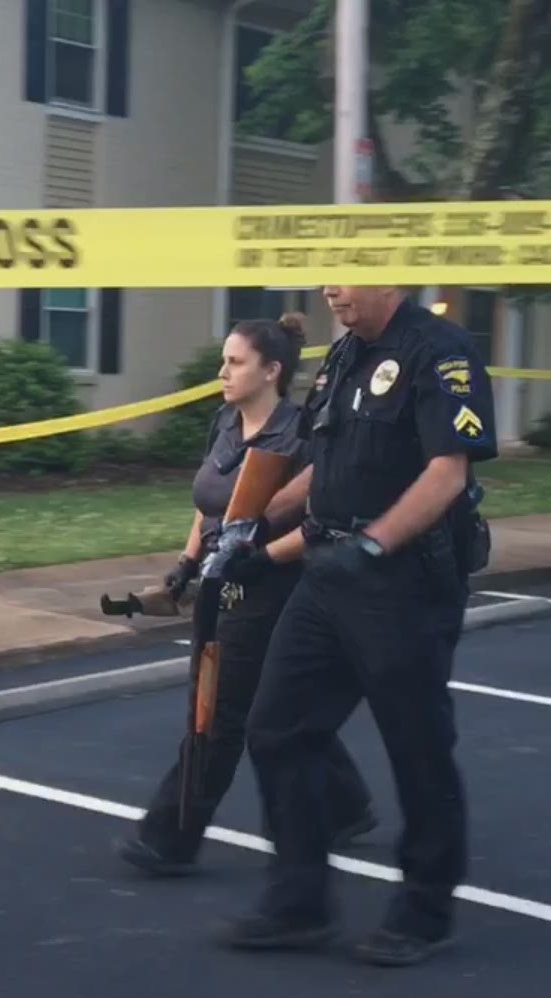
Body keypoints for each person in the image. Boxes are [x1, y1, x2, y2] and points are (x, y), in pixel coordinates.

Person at [217, 285, 495, 967]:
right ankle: (299, 903)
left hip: (402, 580)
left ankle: (424, 912)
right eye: (326, 274)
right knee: (277, 729)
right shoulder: (344, 354)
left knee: (417, 746)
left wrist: (373, 545)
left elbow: (447, 473)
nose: (330, 289)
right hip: (328, 571)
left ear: (388, 273)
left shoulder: (441, 352)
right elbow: (325, 465)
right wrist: (254, 529)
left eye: (345, 272)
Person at [115, 311, 379, 878]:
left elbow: (315, 514)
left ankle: (171, 837)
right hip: (216, 580)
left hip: (273, 588)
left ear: (272, 370)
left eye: (236, 363)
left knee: (218, 715)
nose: (223, 372)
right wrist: (186, 564)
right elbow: (208, 504)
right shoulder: (224, 423)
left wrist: (257, 559)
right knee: (267, 704)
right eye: (224, 361)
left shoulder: (301, 433)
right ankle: (346, 804)